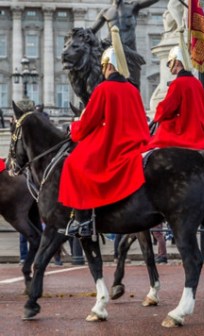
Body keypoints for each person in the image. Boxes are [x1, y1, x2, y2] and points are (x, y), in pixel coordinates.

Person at [59, 27, 150, 238]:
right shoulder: (132, 89)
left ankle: (82, 220)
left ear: (108, 66)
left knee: (74, 164)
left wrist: (73, 129)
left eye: (104, 66)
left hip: (114, 142)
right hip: (138, 142)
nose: (103, 70)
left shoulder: (103, 89)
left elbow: (88, 123)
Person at [147, 43, 204, 150]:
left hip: (186, 130)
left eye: (169, 63)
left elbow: (166, 109)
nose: (168, 67)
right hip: (202, 130)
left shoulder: (177, 83)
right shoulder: (197, 82)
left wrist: (158, 113)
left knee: (154, 141)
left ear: (176, 62)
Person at [91, 0, 160, 88]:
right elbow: (91, 31)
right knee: (105, 83)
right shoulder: (105, 12)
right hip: (112, 54)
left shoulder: (133, 6)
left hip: (130, 53)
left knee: (134, 85)